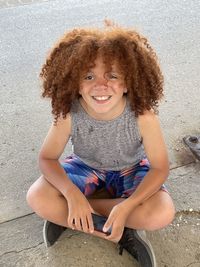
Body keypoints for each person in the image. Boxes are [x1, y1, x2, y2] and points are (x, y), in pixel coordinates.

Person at [26, 21, 175, 267]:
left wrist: (127, 206)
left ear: (128, 82)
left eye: (113, 75)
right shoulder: (70, 113)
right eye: (89, 76)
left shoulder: (143, 115)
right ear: (74, 82)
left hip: (132, 167)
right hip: (86, 167)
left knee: (162, 212)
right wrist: (71, 194)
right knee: (37, 196)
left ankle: (83, 216)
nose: (101, 85)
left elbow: (160, 168)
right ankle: (115, 227)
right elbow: (47, 158)